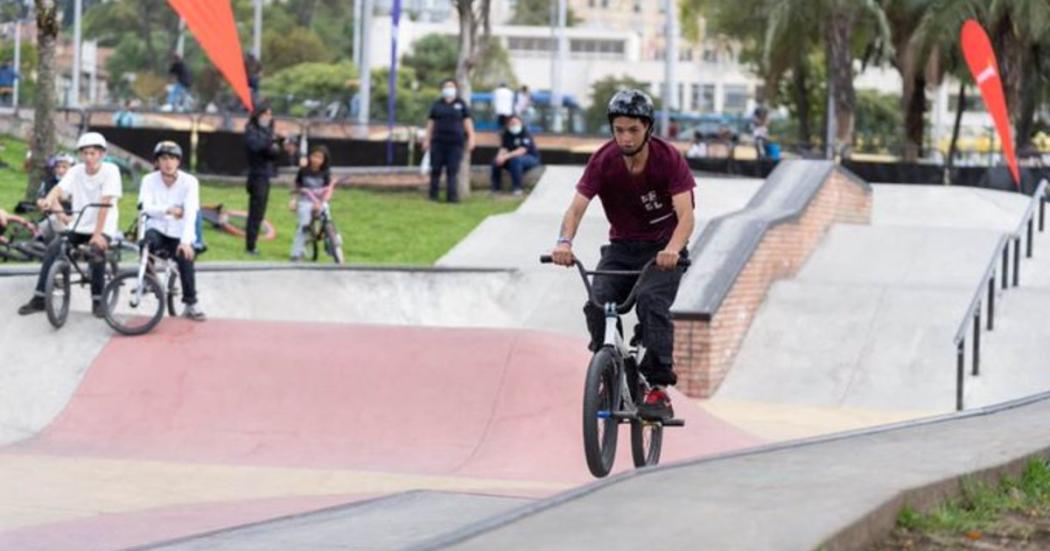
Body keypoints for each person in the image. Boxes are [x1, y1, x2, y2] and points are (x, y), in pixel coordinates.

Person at [549, 89, 695, 420]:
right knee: (596, 304)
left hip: (663, 250)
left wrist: (672, 249)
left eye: (633, 130)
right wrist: (564, 243)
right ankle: (609, 369)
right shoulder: (603, 161)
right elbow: (575, 209)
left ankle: (657, 387)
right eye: (619, 130)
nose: (626, 138)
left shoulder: (667, 158)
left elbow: (686, 216)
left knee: (650, 304)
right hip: (621, 249)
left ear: (647, 129)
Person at [18, 132, 122, 318]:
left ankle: (98, 300)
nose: (89, 158)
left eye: (93, 153)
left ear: (102, 154)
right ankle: (40, 298)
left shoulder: (111, 171)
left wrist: (98, 235)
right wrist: (48, 201)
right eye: (85, 153)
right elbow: (58, 189)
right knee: (54, 247)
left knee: (97, 250)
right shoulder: (76, 171)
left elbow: (105, 205)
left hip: (103, 224)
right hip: (80, 223)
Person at [138, 141, 206, 320]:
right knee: (146, 243)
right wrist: (167, 209)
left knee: (185, 257)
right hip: (158, 228)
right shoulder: (148, 180)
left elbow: (191, 212)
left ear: (179, 162)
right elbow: (145, 207)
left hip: (179, 231)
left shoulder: (190, 182)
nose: (168, 163)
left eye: (173, 158)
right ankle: (148, 280)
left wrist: (186, 242)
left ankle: (191, 302)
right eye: (164, 158)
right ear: (157, 161)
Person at [423, 79, 475, 203]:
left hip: (455, 143)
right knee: (435, 169)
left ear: (456, 89)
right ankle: (433, 196)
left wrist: (472, 138)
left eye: (451, 86)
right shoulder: (437, 105)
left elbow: (467, 122)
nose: (449, 89)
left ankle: (452, 197)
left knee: (452, 170)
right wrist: (427, 139)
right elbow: (431, 123)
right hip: (438, 142)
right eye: (446, 86)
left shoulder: (461, 104)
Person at [244, 101, 280, 256]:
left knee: (260, 211)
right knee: (255, 211)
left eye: (270, 115)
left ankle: (253, 243)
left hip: (266, 175)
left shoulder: (269, 132)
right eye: (265, 114)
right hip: (256, 175)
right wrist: (270, 143)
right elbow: (255, 146)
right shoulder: (251, 130)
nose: (268, 118)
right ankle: (250, 245)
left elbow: (273, 153)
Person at [288, 145, 335, 261]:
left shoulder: (325, 173)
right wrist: (293, 200)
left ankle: (332, 242)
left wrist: (322, 201)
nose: (316, 160)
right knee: (303, 224)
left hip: (320, 201)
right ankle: (296, 252)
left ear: (324, 160)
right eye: (314, 156)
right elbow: (296, 186)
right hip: (305, 201)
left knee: (327, 216)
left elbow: (329, 190)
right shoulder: (303, 171)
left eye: (320, 158)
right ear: (310, 156)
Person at [490, 114, 541, 196]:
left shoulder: (525, 133)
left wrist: (505, 157)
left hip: (530, 158)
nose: (514, 125)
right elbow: (504, 148)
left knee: (515, 161)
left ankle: (517, 188)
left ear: (520, 123)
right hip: (512, 158)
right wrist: (500, 157)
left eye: (516, 123)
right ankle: (496, 188)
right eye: (512, 123)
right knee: (496, 162)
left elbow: (522, 150)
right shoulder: (507, 133)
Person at [35, 153, 75, 243]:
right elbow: (46, 201)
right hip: (53, 219)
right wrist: (64, 217)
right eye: (58, 167)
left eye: (64, 167)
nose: (60, 170)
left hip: (74, 217)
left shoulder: (78, 183)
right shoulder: (49, 182)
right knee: (55, 220)